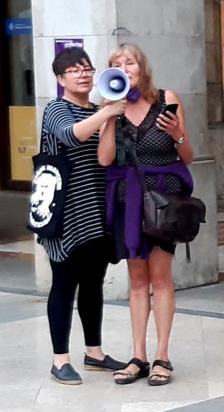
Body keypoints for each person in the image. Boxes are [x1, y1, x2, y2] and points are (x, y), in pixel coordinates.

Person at [98, 43, 194, 386]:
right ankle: (138, 355)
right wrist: (109, 113)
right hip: (127, 204)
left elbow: (188, 155)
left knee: (161, 278)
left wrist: (175, 133)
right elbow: (106, 159)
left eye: (130, 62)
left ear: (142, 67)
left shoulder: (166, 99)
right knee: (137, 280)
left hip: (161, 203)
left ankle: (163, 356)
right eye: (116, 64)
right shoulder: (112, 108)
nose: (124, 68)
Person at [39, 47, 127, 385]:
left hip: (96, 209)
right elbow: (71, 135)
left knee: (93, 283)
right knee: (63, 284)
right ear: (61, 79)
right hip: (64, 211)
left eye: (87, 68)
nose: (84, 74)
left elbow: (106, 156)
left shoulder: (100, 110)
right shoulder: (56, 109)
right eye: (74, 70)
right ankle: (59, 359)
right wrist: (106, 114)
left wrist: (109, 114)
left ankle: (95, 353)